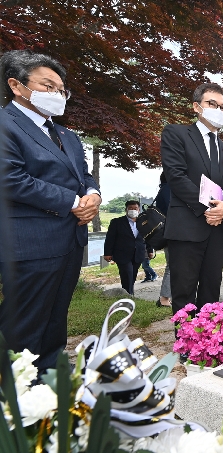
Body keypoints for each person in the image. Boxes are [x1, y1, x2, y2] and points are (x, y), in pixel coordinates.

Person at [0, 50, 101, 373]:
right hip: (30, 245)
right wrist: (73, 202)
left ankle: (51, 385)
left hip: (69, 243)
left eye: (61, 90)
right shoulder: (6, 125)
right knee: (24, 327)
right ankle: (15, 399)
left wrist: (93, 195)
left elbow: (83, 176)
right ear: (17, 85)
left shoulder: (66, 136)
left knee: (56, 320)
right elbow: (11, 179)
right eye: (48, 86)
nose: (57, 95)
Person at [161, 82, 223, 315]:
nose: (218, 110)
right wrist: (208, 207)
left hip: (218, 230)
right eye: (211, 104)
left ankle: (208, 343)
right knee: (184, 291)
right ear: (197, 106)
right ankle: (186, 345)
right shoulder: (176, 133)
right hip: (187, 224)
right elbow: (175, 176)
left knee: (211, 290)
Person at [103, 200, 154, 296]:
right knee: (127, 274)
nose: (133, 210)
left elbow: (148, 237)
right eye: (130, 208)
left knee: (133, 275)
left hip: (138, 254)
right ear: (126, 210)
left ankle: (129, 293)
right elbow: (110, 238)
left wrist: (150, 250)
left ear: (139, 210)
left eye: (135, 208)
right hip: (122, 254)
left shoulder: (143, 223)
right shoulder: (117, 222)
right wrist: (107, 253)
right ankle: (129, 295)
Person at [155, 172, 172, 308]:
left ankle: (166, 296)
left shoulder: (163, 190)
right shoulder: (168, 190)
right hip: (171, 232)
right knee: (172, 266)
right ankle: (164, 298)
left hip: (168, 232)